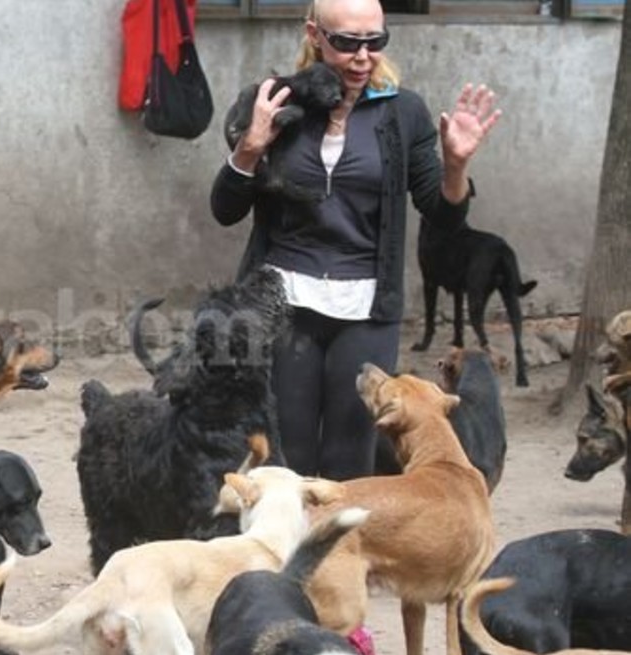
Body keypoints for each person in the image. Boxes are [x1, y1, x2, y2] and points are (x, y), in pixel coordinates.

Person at [209, 0, 501, 482]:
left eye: (375, 41)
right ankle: (282, 557)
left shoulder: (403, 112)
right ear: (314, 35)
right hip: (284, 301)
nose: (362, 56)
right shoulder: (274, 103)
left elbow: (443, 215)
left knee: (351, 457)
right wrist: (250, 148)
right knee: (287, 454)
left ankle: (339, 558)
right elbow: (224, 210)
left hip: (366, 303)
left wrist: (456, 166)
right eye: (347, 43)